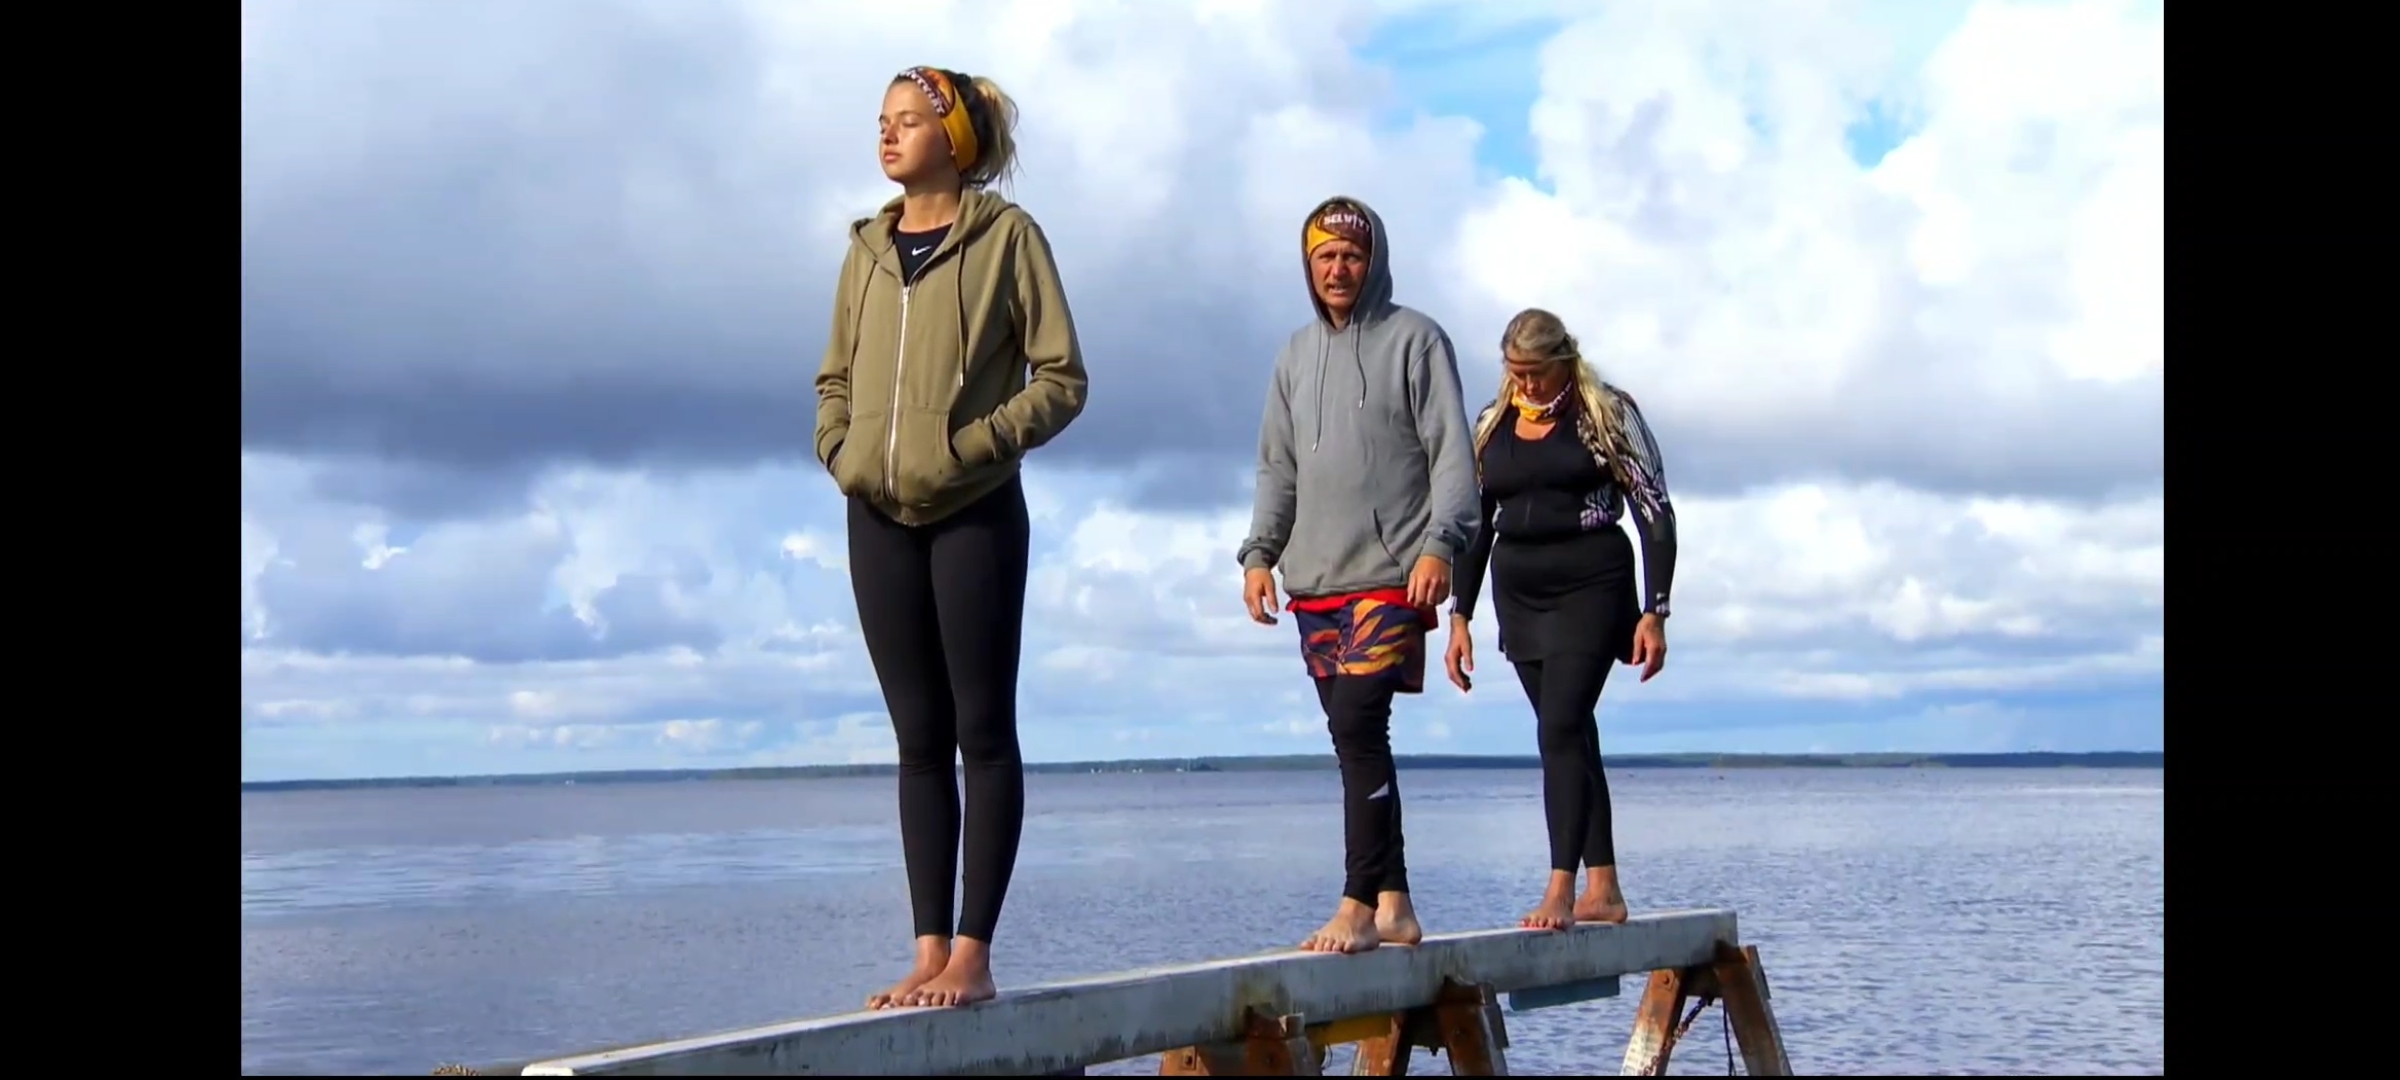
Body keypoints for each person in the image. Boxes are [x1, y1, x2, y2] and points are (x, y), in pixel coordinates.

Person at [812, 65, 1088, 1009]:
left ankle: (974, 955)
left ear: (955, 137)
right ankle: (928, 950)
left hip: (975, 510)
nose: (887, 135)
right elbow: (833, 378)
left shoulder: (1008, 238)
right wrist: (841, 450)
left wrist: (974, 446)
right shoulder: (866, 249)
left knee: (983, 732)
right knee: (918, 740)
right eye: (880, 120)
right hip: (875, 514)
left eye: (907, 120)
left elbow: (1061, 378)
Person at [1237, 196, 1480, 954]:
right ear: (1308, 266)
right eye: (1325, 257)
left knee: (1357, 725)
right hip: (1314, 581)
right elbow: (1276, 467)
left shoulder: (1417, 340)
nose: (1338, 269)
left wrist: (1441, 545)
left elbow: (1452, 454)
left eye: (1351, 256)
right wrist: (1259, 555)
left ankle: (1356, 904)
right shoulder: (1293, 355)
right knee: (1356, 742)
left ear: (1373, 263)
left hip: (1392, 572)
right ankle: (1395, 904)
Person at [1443, 308, 1677, 932]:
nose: (1526, 384)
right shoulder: (1493, 425)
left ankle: (1560, 889)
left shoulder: (1607, 413)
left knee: (1560, 727)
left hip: (1592, 585)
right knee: (1571, 734)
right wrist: (1459, 615)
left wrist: (1655, 611)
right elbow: (1474, 525)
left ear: (1564, 360)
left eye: (1536, 373)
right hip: (1521, 595)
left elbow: (1654, 510)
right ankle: (1605, 888)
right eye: (1515, 372)